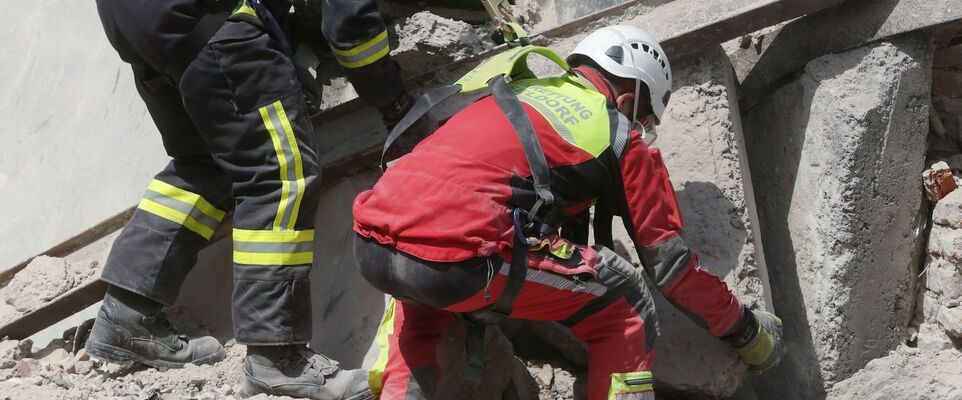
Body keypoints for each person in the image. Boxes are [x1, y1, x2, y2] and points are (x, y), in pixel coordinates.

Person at [350, 25, 785, 399]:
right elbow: (671, 268)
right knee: (626, 300)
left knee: (422, 306)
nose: (644, 130)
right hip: (458, 259)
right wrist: (747, 331)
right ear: (630, 95)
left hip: (373, 242)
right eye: (646, 118)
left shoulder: (513, 87)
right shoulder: (617, 132)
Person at [88, 0, 414, 398]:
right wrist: (393, 99)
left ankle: (127, 312)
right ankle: (278, 357)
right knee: (278, 174)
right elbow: (350, 21)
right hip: (204, 17)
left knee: (205, 162)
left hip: (132, 18)